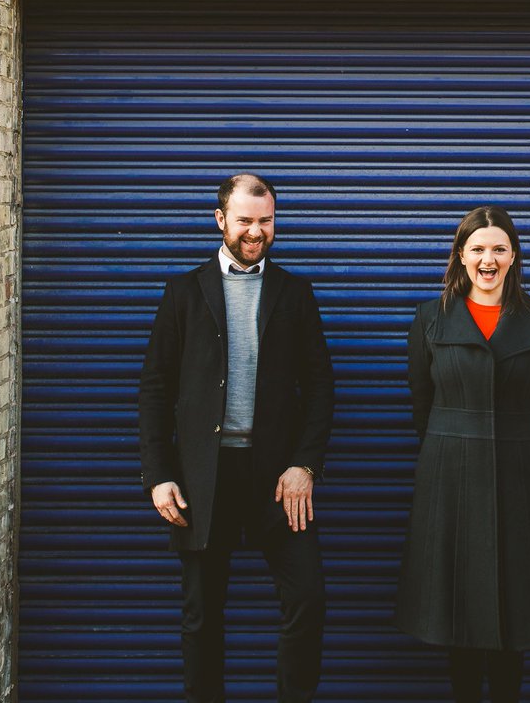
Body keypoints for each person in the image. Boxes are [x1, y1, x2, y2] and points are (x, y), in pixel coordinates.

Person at [139, 173, 334, 703]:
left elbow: (320, 389)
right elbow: (156, 389)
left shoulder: (295, 293)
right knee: (201, 614)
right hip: (205, 476)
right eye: (245, 220)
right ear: (220, 220)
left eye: (265, 220)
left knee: (308, 597)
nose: (256, 231)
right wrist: (159, 476)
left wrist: (305, 466)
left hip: (277, 479)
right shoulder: (183, 291)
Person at [395, 205, 530, 703]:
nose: (487, 259)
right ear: (460, 255)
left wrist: (517, 453)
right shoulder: (430, 319)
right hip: (448, 478)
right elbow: (420, 403)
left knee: (514, 612)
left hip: (519, 478)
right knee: (459, 613)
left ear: (514, 256)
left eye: (498, 249)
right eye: (477, 249)